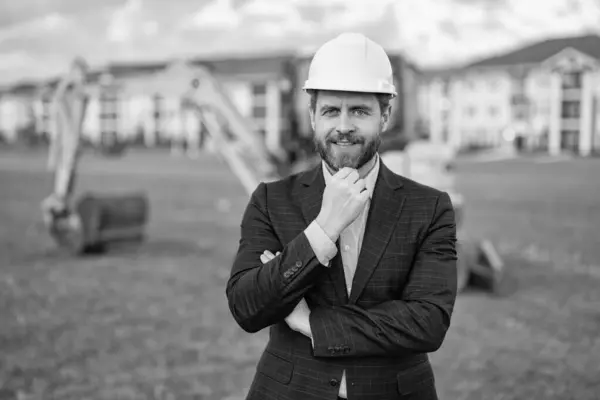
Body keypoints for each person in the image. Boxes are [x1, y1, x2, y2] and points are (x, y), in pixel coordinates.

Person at [226, 32, 458, 400]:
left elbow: (427, 322)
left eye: (360, 111)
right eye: (331, 110)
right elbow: (247, 305)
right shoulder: (270, 200)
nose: (344, 125)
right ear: (312, 116)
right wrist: (323, 229)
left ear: (385, 115)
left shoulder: (429, 208)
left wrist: (311, 323)